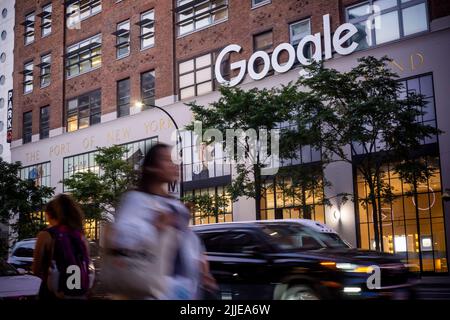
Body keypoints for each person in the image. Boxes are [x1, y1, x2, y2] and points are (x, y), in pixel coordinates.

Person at [102, 143, 216, 299]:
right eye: (166, 160)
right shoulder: (136, 200)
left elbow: (185, 243)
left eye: (173, 160)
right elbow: (122, 238)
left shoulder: (175, 204)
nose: (173, 165)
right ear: (151, 167)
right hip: (154, 288)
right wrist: (155, 227)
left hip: (183, 289)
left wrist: (201, 265)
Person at [32, 194, 92, 300]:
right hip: (78, 293)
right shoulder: (80, 236)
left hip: (52, 293)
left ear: (49, 214)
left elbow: (36, 269)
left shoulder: (46, 235)